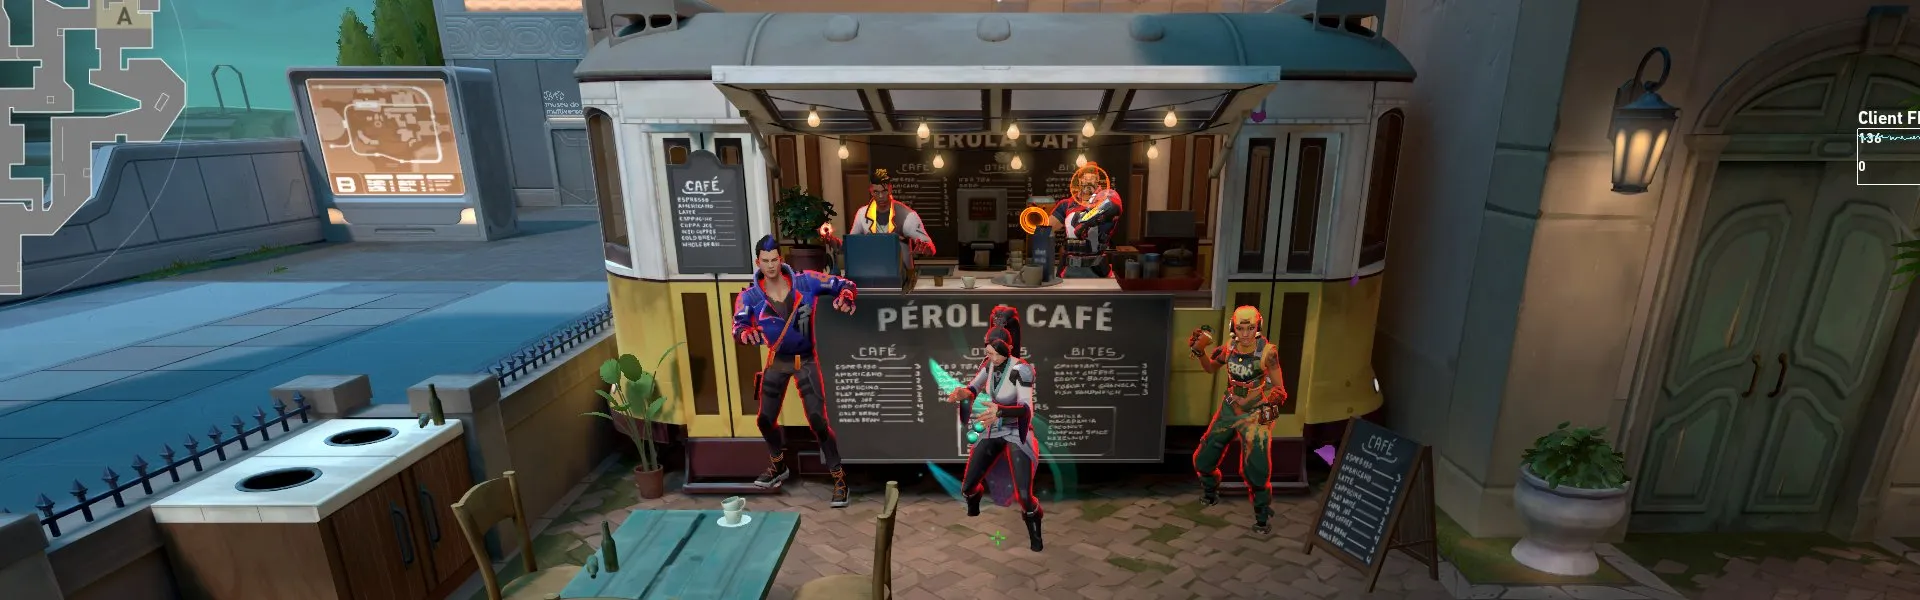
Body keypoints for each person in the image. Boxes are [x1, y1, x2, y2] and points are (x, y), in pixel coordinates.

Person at [732, 235, 860, 508]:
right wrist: (745, 334)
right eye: (765, 261)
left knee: (817, 421)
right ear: (757, 262)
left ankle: (839, 478)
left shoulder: (806, 282)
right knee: (764, 420)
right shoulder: (749, 296)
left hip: (805, 360)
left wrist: (847, 296)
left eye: (774, 260)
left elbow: (844, 284)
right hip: (778, 360)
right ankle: (779, 465)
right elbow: (739, 326)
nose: (770, 266)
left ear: (781, 259)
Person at [943, 311, 1044, 552]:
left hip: (1016, 430)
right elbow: (974, 387)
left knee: (1024, 495)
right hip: (995, 428)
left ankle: (1035, 532)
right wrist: (964, 393)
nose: (990, 357)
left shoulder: (1021, 370)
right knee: (968, 486)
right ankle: (974, 502)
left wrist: (1000, 411)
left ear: (1006, 350)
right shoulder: (989, 365)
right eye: (987, 352)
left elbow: (1026, 409)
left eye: (994, 353)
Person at [1186, 306, 1288, 534]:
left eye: (1250, 328)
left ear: (1257, 327)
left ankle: (1262, 515)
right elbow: (1210, 368)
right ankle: (1210, 492)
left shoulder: (1268, 353)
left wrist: (1265, 406)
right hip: (1229, 408)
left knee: (1257, 469)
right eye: (1241, 328)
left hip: (1254, 413)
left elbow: (1279, 390)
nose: (1245, 334)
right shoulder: (1229, 347)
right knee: (1204, 458)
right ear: (1234, 328)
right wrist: (1200, 352)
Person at [818, 168, 937, 275]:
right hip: (871, 273)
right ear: (870, 190)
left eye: (884, 191)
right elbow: (850, 246)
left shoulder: (908, 216)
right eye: (876, 192)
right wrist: (831, 240)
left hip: (901, 276)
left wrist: (926, 247)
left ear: (890, 189)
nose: (881, 196)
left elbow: (930, 247)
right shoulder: (862, 214)